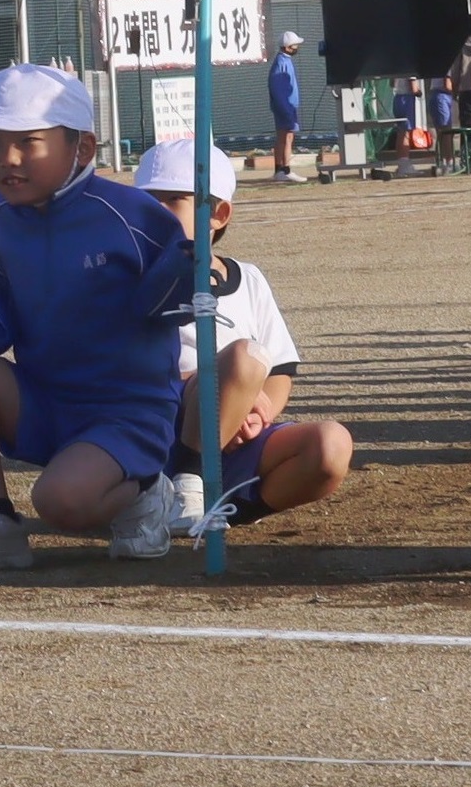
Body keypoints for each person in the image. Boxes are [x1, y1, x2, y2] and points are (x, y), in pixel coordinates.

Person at [0, 65, 191, 570]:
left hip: (127, 412)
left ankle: (148, 490)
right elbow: (2, 308)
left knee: (60, 503)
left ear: (82, 149)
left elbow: (178, 296)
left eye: (28, 142)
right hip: (45, 401)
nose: (8, 160)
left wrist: (199, 271)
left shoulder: (133, 214)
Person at [134, 141, 352, 534]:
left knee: (331, 445)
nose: (157, 213)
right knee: (243, 359)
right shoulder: (128, 280)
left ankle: (223, 512)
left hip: (241, 438)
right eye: (148, 201)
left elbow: (281, 369)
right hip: (161, 434)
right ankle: (187, 480)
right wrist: (225, 391)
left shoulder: (248, 279)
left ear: (218, 214)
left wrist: (256, 408)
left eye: (173, 200)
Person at [268, 32, 304, 182]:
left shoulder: (283, 61)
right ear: (288, 47)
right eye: (295, 45)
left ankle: (280, 170)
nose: (297, 47)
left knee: (283, 137)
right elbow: (277, 88)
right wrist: (285, 107)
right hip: (285, 106)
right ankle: (285, 170)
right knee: (287, 137)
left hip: (285, 105)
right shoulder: (282, 62)